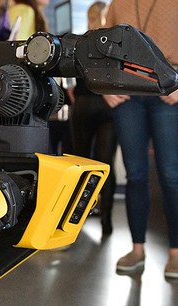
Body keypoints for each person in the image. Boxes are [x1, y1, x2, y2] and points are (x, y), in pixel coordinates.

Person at [105, 0, 178, 279]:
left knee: (171, 173)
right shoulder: (118, 3)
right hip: (128, 92)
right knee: (136, 174)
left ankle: (177, 253)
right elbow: (101, 49)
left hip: (170, 89)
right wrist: (106, 89)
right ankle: (137, 249)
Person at [69, 1, 118, 236]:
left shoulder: (82, 42)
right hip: (108, 107)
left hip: (83, 105)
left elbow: (71, 77)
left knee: (81, 164)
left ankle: (74, 222)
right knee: (105, 164)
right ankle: (107, 222)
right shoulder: (116, 45)